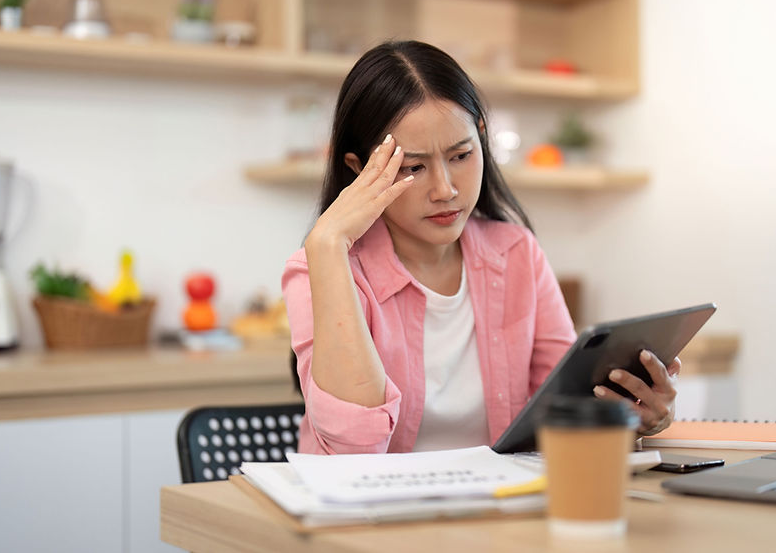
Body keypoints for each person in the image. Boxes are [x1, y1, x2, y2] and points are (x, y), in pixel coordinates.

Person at [282, 40, 680, 455]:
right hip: (374, 516)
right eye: (413, 168)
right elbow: (351, 454)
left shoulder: (515, 253)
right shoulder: (320, 268)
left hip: (499, 508)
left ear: (482, 140)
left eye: (462, 155)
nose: (446, 189)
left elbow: (565, 414)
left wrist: (633, 418)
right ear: (358, 170)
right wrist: (328, 245)